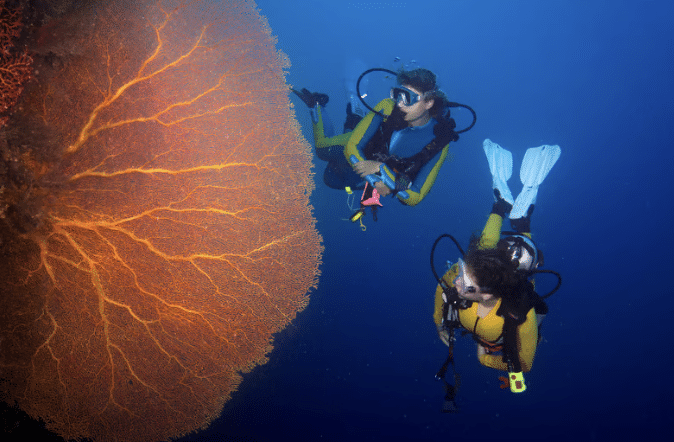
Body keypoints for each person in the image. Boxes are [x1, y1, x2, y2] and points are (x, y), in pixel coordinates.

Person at [432, 140, 560, 406]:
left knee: (522, 272)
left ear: (488, 294)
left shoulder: (518, 316)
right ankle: (508, 212)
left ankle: (510, 213)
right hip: (491, 297)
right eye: (461, 272)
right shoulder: (467, 278)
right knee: (490, 255)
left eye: (466, 284)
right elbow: (444, 284)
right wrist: (439, 322)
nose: (455, 281)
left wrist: (485, 359)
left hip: (504, 306)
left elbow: (524, 363)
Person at [293, 67, 460, 218]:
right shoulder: (387, 106)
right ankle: (317, 105)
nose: (400, 103)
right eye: (397, 94)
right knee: (322, 149)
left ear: (429, 102)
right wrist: (377, 179)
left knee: (338, 180)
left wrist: (383, 172)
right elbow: (352, 147)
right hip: (364, 144)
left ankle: (355, 116)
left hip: (379, 165)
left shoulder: (438, 142)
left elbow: (416, 194)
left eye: (407, 98)